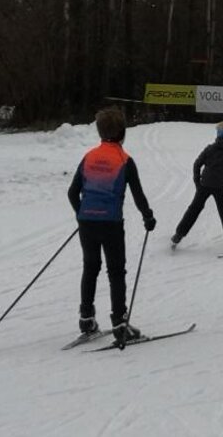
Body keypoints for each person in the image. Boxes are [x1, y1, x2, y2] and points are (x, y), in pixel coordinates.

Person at [67, 107, 156, 343]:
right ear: (122, 133)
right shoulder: (125, 161)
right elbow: (138, 196)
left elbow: (72, 193)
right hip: (111, 223)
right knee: (116, 272)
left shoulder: (88, 157)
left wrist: (82, 215)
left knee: (90, 268)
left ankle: (86, 319)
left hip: (87, 222)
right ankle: (119, 324)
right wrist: (148, 217)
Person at [171, 122, 223, 253]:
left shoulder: (210, 149)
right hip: (221, 187)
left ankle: (178, 235)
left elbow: (197, 164)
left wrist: (197, 182)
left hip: (205, 184)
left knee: (194, 209)